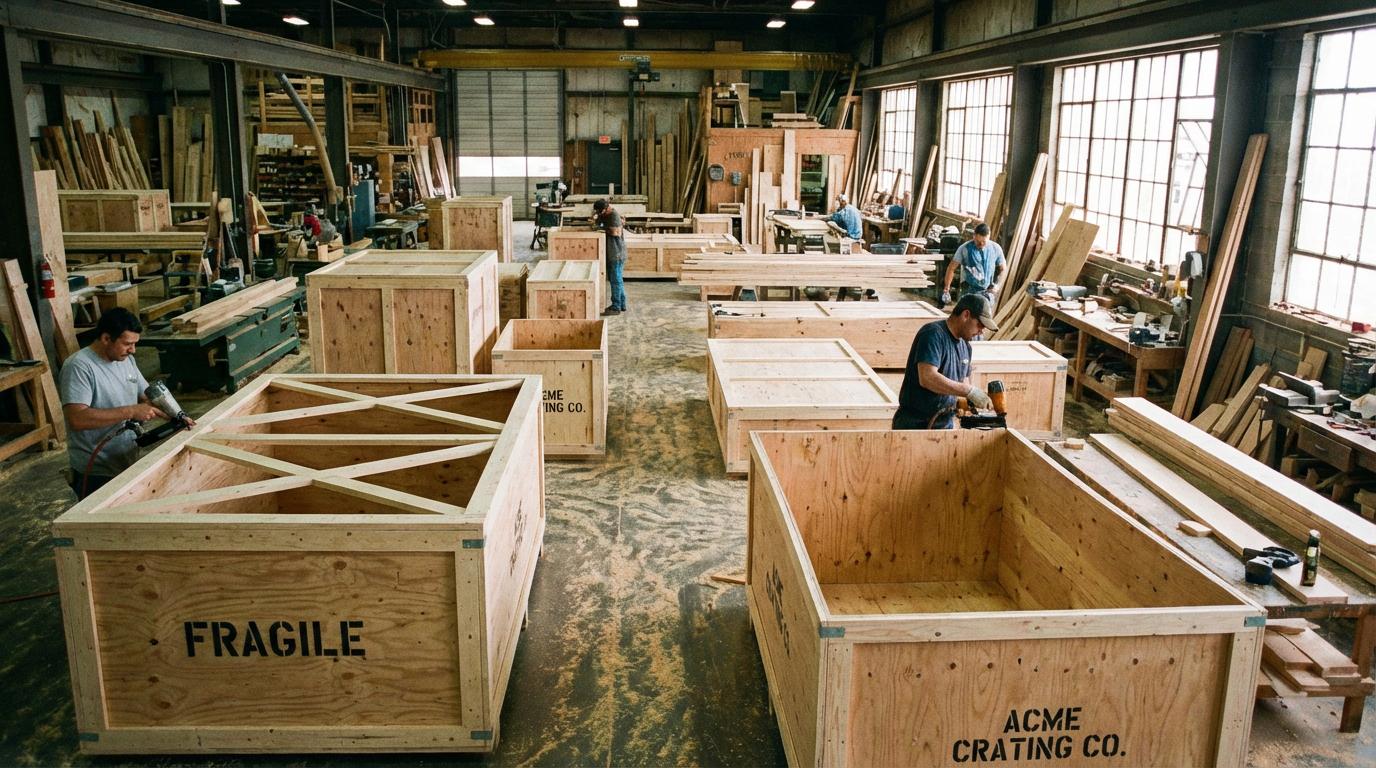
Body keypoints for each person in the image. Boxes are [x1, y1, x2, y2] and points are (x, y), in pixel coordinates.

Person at [59, 308, 165, 498]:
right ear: (106, 338)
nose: (133, 350)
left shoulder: (126, 360)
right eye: (127, 344)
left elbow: (149, 395)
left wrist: (177, 415)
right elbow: (77, 419)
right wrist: (131, 411)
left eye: (135, 344)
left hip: (126, 459)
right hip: (97, 470)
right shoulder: (79, 367)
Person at [893, 293, 999, 430]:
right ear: (966, 315)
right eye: (980, 325)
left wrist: (972, 401)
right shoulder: (933, 334)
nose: (981, 332)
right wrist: (969, 391)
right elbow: (927, 377)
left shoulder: (966, 347)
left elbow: (963, 383)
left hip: (944, 424)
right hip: (915, 424)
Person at [941, 222, 1006, 305]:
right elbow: (951, 268)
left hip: (987, 292)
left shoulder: (995, 248)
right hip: (968, 290)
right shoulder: (964, 249)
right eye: (978, 242)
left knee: (983, 316)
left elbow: (1003, 269)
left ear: (989, 236)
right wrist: (947, 287)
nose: (981, 244)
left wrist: (997, 286)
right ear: (974, 236)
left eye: (984, 242)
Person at [594, 198, 628, 316]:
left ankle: (616, 307)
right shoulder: (604, 215)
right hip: (611, 252)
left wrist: (602, 228)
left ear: (607, 208)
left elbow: (616, 232)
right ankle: (622, 304)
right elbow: (598, 222)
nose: (600, 214)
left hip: (617, 253)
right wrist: (597, 219)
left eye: (601, 212)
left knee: (616, 280)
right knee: (617, 280)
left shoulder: (613, 215)